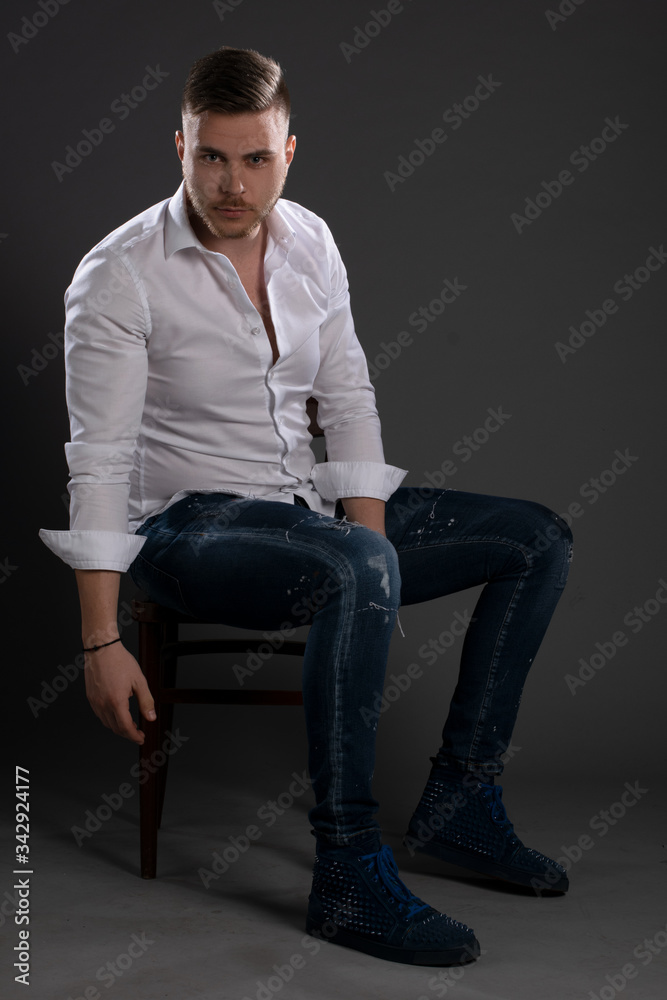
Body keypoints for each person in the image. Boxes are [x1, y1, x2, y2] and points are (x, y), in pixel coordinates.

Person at [39, 46, 573, 967]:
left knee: (534, 536)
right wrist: (100, 637)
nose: (231, 183)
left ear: (291, 152)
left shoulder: (310, 241)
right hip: (187, 527)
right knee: (353, 561)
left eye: (254, 159)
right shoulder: (119, 274)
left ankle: (460, 803)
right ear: (179, 146)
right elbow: (100, 457)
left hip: (302, 512)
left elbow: (350, 399)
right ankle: (348, 874)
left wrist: (367, 552)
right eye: (211, 156)